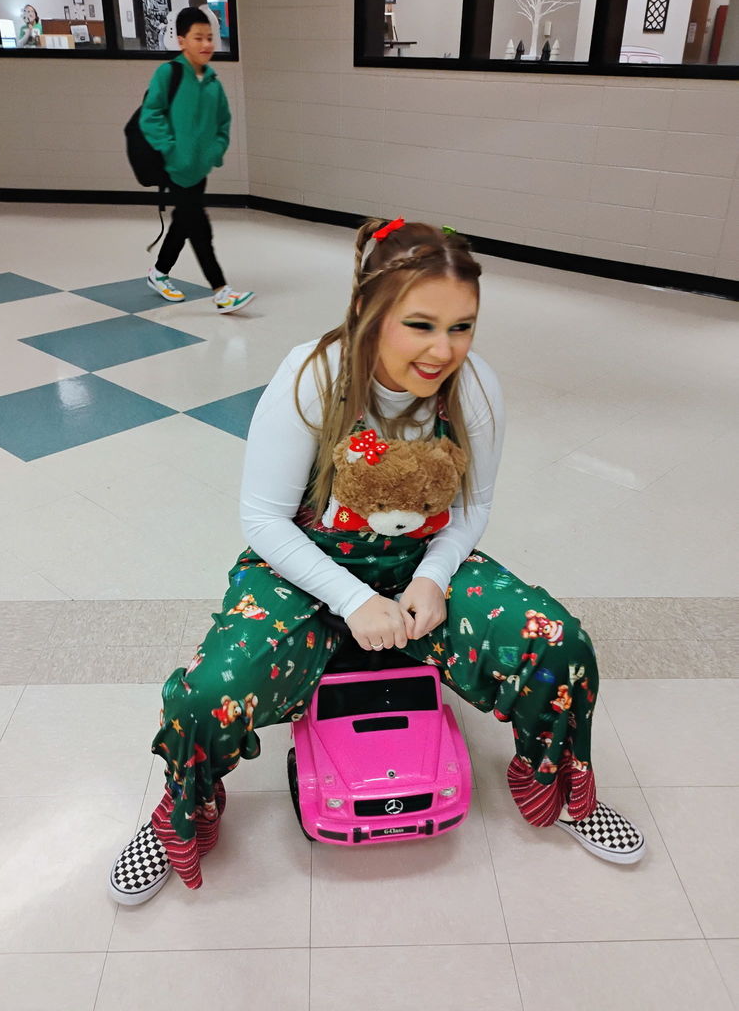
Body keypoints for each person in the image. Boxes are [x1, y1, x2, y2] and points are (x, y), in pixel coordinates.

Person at [108, 218, 646, 905]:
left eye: (461, 327)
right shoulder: (313, 376)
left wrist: (432, 575)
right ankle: (181, 815)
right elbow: (264, 519)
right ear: (366, 310)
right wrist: (352, 599)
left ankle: (560, 784)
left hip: (419, 561)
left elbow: (474, 507)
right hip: (304, 568)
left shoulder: (475, 387)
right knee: (205, 692)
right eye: (419, 324)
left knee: (558, 646)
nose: (442, 350)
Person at [139, 6, 254, 313]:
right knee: (200, 227)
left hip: (198, 169)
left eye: (209, 38)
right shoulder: (169, 73)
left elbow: (223, 123)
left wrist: (214, 151)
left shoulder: (213, 81)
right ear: (181, 41)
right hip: (175, 167)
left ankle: (159, 273)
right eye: (197, 38)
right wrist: (171, 149)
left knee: (184, 221)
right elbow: (150, 115)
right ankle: (221, 291)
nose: (206, 44)